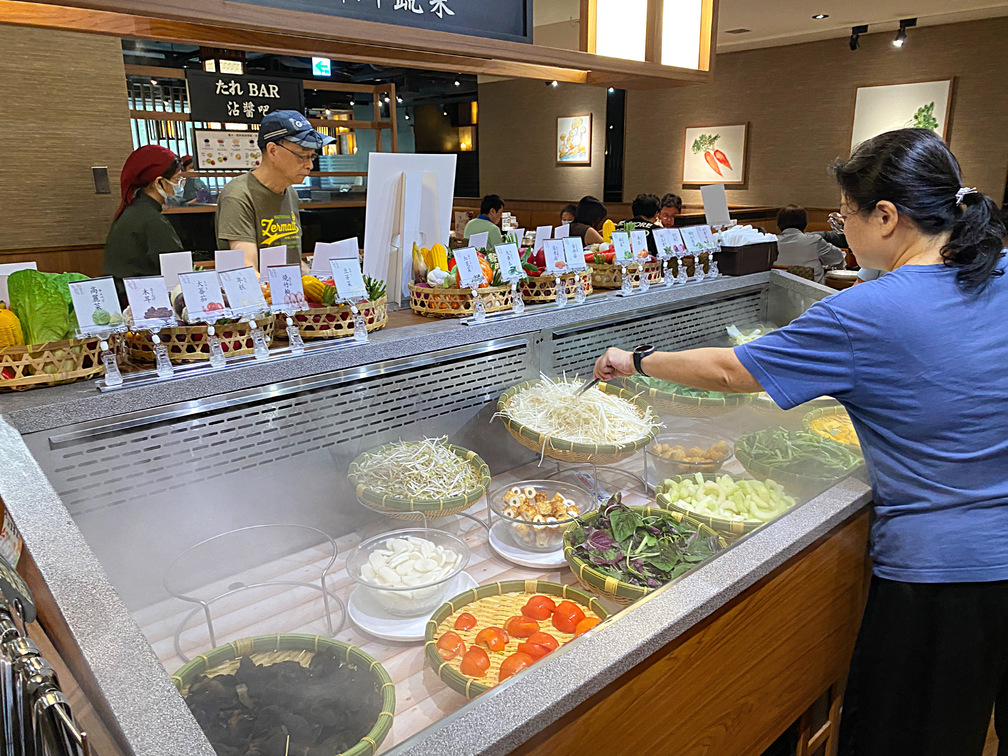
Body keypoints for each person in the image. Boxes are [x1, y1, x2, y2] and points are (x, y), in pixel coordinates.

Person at [592, 128, 1007, 756]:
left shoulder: (868, 310)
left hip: (938, 575)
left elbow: (734, 372)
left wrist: (639, 359)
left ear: (887, 217)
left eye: (845, 215)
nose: (841, 228)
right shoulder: (996, 272)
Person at [215, 110, 334, 270]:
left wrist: (319, 281)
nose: (309, 165)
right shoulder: (238, 196)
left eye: (312, 156)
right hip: (259, 294)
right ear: (272, 150)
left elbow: (292, 261)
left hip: (289, 292)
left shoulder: (290, 193)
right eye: (302, 156)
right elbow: (247, 270)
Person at [103, 145, 184, 297]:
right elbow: (177, 272)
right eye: (177, 180)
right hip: (143, 299)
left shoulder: (131, 211)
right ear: (159, 182)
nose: (180, 187)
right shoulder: (152, 220)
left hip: (123, 297)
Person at [773, 204, 846, 283]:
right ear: (805, 223)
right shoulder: (814, 241)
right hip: (814, 293)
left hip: (778, 292)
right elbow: (838, 257)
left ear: (778, 225)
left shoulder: (770, 244)